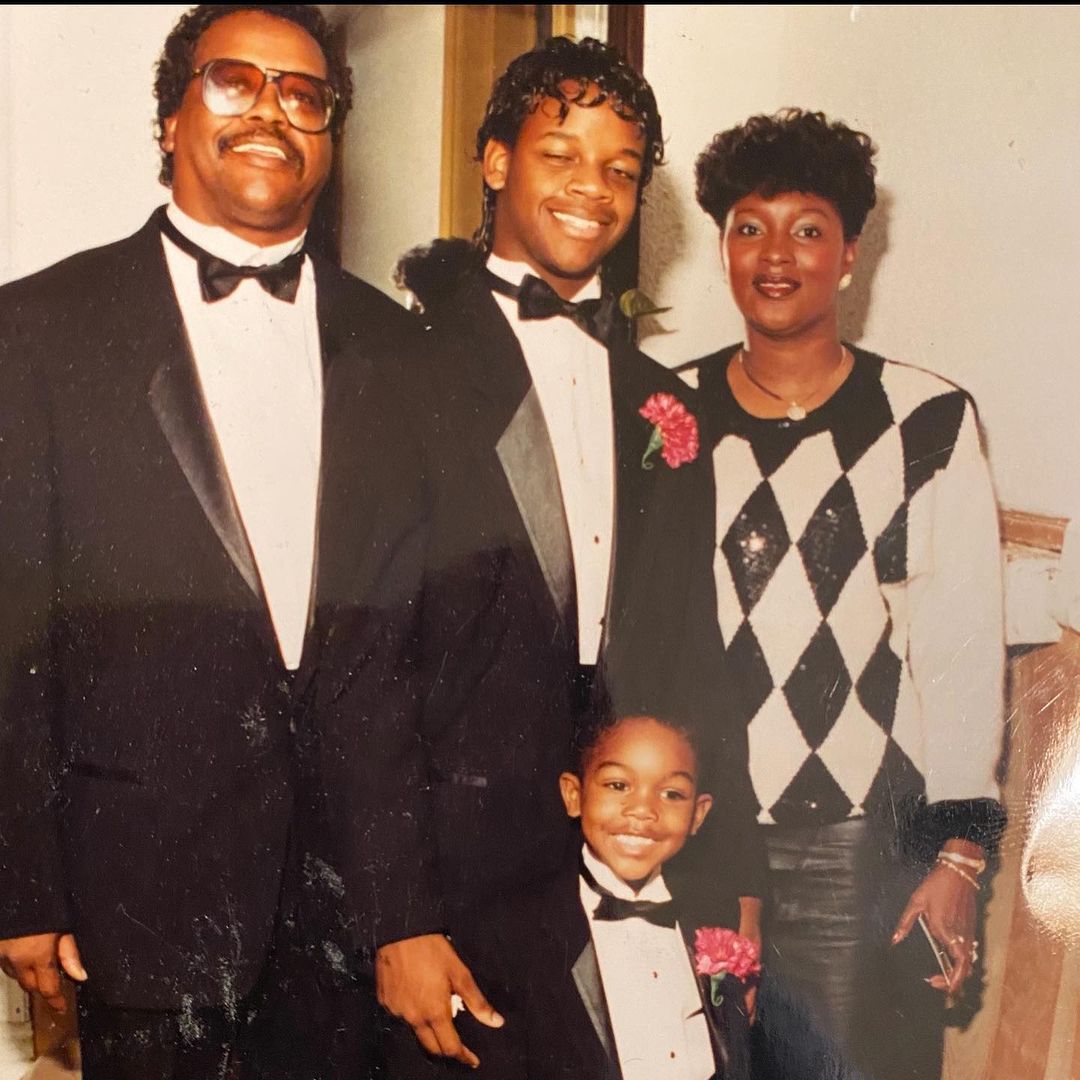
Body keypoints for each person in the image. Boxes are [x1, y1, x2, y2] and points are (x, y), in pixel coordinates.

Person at [0, 6, 436, 1077]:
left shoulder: (398, 346)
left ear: (330, 136)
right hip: (139, 887)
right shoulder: (39, 328)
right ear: (168, 119)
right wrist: (23, 884)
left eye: (304, 95)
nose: (272, 114)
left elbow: (411, 649)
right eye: (234, 83)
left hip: (353, 907)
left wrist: (408, 899)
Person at [382, 36, 766, 1070]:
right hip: (450, 855)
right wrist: (394, 917)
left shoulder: (663, 403)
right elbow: (362, 674)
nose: (591, 190)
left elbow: (691, 646)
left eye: (620, 171)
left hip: (616, 849)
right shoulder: (397, 369)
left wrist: (726, 875)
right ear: (496, 159)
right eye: (562, 154)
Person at [679, 109, 1006, 1080]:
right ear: (723, 246)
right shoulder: (666, 413)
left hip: (862, 849)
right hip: (701, 840)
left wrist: (958, 861)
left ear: (851, 252)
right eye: (749, 225)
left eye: (808, 228)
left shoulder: (925, 419)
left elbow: (960, 653)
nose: (775, 254)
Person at [389, 712, 757, 1079]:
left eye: (672, 794)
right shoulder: (512, 932)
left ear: (698, 814)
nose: (643, 810)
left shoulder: (715, 913)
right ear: (574, 795)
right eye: (618, 785)